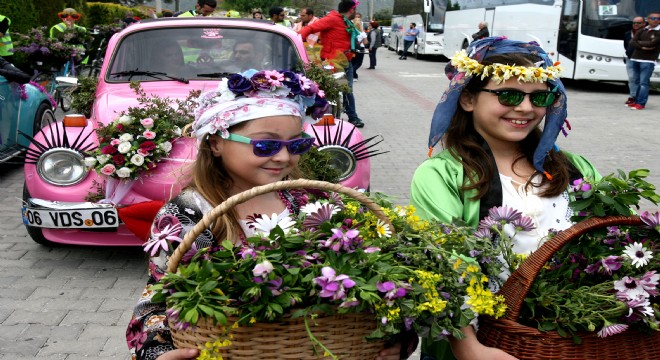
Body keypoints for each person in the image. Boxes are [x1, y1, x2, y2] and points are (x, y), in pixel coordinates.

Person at [125, 69, 408, 360]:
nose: (284, 157)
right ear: (216, 142)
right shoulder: (190, 214)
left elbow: (373, 283)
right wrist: (156, 353)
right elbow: (156, 301)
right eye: (266, 145)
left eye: (296, 144)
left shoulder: (314, 202)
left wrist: (394, 341)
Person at [410, 37, 601, 360]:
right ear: (468, 99)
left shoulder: (576, 168)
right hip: (487, 344)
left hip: (570, 340)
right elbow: (444, 264)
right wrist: (471, 350)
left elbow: (606, 243)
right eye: (507, 95)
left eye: (540, 96)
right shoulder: (440, 175)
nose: (525, 108)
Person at [299, 0, 365, 128]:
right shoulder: (333, 19)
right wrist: (297, 42)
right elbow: (310, 28)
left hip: (346, 61)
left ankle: (350, 115)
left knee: (346, 90)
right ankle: (339, 115)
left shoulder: (345, 21)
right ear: (351, 10)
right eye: (355, 10)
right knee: (341, 89)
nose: (355, 13)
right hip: (334, 62)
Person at [626, 12, 660, 110]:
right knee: (636, 81)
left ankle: (641, 103)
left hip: (648, 61)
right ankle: (635, 101)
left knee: (644, 83)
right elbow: (632, 42)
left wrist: (640, 43)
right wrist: (643, 46)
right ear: (648, 19)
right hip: (635, 58)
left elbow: (652, 43)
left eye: (658, 19)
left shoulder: (658, 32)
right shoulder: (642, 30)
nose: (656, 20)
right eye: (653, 18)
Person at [624, 16, 646, 106]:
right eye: (634, 23)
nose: (636, 24)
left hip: (643, 59)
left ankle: (640, 98)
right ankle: (633, 96)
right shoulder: (628, 34)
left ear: (644, 24)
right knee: (632, 78)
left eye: (638, 23)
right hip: (631, 59)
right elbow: (626, 46)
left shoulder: (647, 33)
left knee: (642, 80)